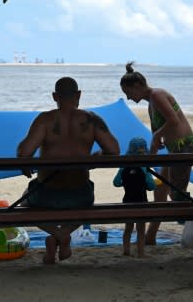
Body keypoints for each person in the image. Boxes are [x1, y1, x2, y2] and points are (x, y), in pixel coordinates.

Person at [16, 76, 120, 264]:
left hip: (46, 195)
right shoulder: (91, 120)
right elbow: (114, 150)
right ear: (78, 95)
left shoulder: (45, 120)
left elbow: (24, 152)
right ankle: (64, 234)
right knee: (88, 201)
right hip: (80, 195)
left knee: (24, 202)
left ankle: (57, 234)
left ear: (55, 96)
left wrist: (25, 162)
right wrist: (96, 157)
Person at [119, 62, 193, 245]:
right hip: (173, 150)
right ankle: (150, 236)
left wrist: (158, 134)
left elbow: (173, 121)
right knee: (160, 190)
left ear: (137, 86)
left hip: (184, 147)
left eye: (128, 93)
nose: (129, 98)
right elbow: (156, 137)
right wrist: (149, 160)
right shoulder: (150, 104)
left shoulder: (157, 95)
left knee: (176, 195)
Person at [112, 137, 157, 257]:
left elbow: (116, 183)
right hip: (142, 201)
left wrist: (124, 182)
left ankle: (126, 251)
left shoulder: (124, 167)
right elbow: (152, 186)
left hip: (127, 201)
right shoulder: (144, 169)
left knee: (128, 227)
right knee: (141, 229)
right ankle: (141, 253)